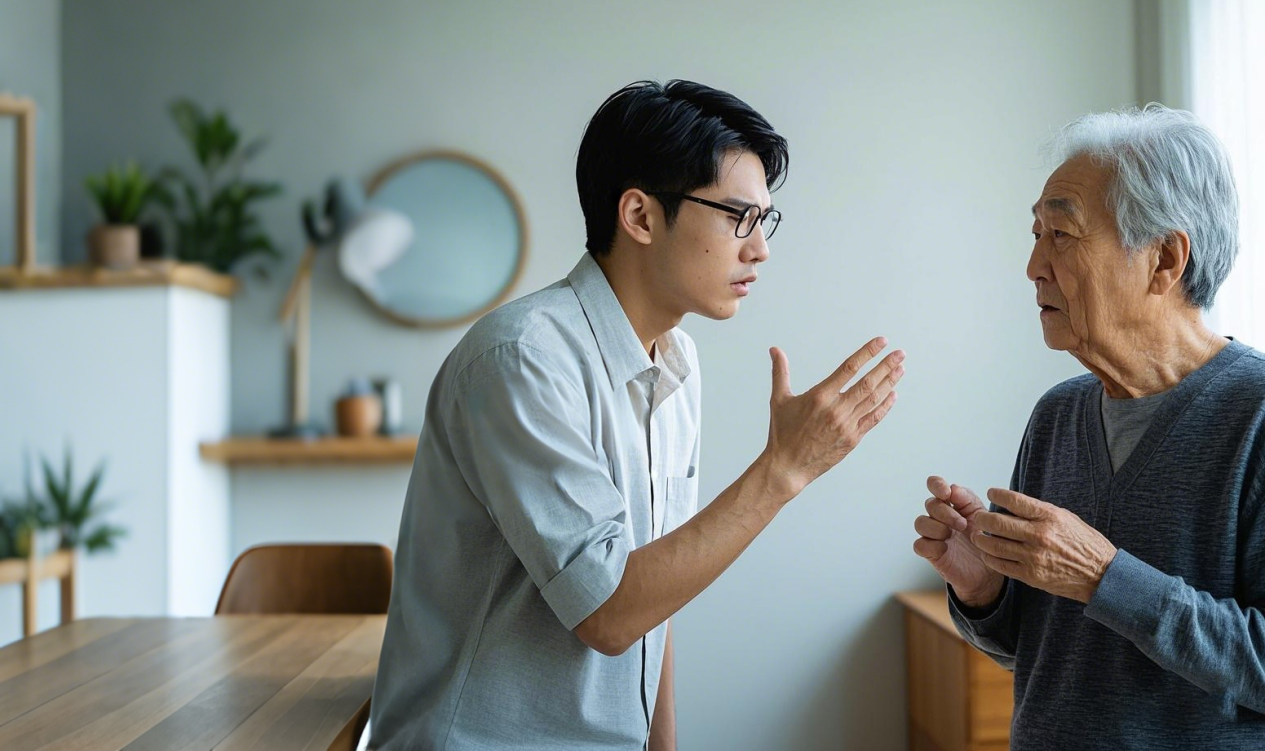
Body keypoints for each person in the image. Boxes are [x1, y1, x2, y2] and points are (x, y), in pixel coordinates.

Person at [368, 79, 904, 750]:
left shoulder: (677, 359)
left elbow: (655, 592)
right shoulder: (522, 359)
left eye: (764, 220)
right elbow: (610, 611)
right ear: (641, 216)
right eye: (737, 216)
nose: (759, 248)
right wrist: (783, 470)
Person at [913, 104, 1265, 749]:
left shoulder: (1257, 414)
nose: (1033, 266)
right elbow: (1041, 657)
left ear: (1164, 259)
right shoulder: (1056, 415)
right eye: (1035, 233)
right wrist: (985, 591)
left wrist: (1106, 577)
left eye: (1062, 234)